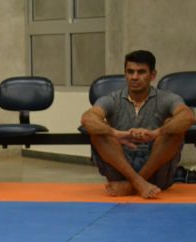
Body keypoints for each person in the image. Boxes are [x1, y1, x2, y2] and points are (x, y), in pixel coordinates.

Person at [81, 50, 196, 199]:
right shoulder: (112, 99)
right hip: (121, 168)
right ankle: (139, 183)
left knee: (173, 129)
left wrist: (157, 132)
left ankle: (132, 185)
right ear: (125, 74)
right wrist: (115, 133)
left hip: (157, 170)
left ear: (152, 75)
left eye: (141, 72)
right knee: (99, 132)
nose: (134, 77)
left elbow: (188, 117)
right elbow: (87, 119)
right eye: (130, 72)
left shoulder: (166, 98)